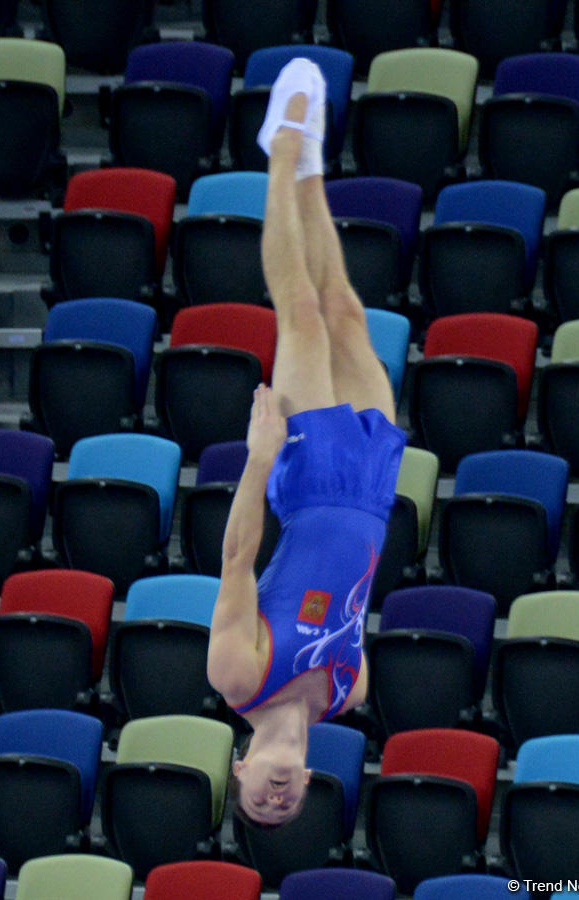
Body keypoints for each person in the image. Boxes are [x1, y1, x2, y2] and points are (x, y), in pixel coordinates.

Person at [206, 58, 406, 826]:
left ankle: (281, 148)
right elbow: (355, 590)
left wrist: (260, 460)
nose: (275, 798)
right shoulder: (350, 691)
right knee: (346, 312)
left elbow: (237, 560)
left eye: (255, 800)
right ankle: (314, 169)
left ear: (241, 765)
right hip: (369, 491)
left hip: (309, 481)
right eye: (285, 809)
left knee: (299, 312)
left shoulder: (236, 675)